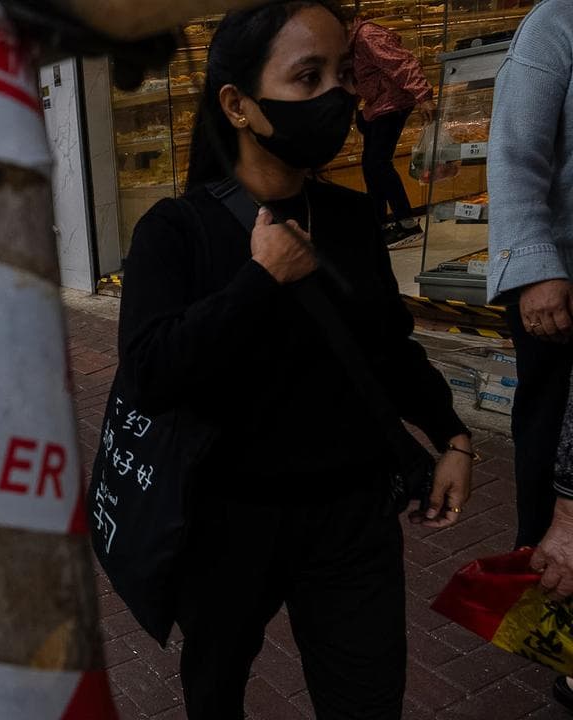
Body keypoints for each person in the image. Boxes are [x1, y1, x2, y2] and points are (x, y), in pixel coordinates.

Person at [117, 2, 473, 717]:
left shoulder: (345, 217)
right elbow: (150, 374)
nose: (337, 98)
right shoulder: (176, 231)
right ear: (238, 105)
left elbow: (386, 345)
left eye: (342, 75)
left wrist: (452, 435)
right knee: (216, 689)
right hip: (225, 521)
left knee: (367, 699)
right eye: (307, 78)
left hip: (351, 519)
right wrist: (259, 279)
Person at [485, 0, 573, 710]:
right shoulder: (557, 20)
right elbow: (514, 150)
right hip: (563, 295)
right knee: (551, 456)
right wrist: (537, 267)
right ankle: (557, 629)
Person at [351, 14, 436, 249]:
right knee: (371, 165)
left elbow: (402, 63)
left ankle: (406, 224)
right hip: (377, 106)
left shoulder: (367, 36)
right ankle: (380, 224)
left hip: (393, 103)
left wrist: (423, 96)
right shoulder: (351, 41)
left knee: (378, 164)